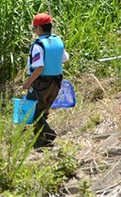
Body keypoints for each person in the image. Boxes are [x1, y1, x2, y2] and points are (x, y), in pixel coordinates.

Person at [23, 13, 69, 146]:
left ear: (39, 29)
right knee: (44, 111)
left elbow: (39, 67)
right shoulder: (58, 41)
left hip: (40, 83)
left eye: (35, 28)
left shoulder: (38, 45)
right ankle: (41, 140)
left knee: (33, 112)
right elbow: (65, 59)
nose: (35, 31)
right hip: (56, 82)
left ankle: (48, 134)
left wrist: (28, 82)